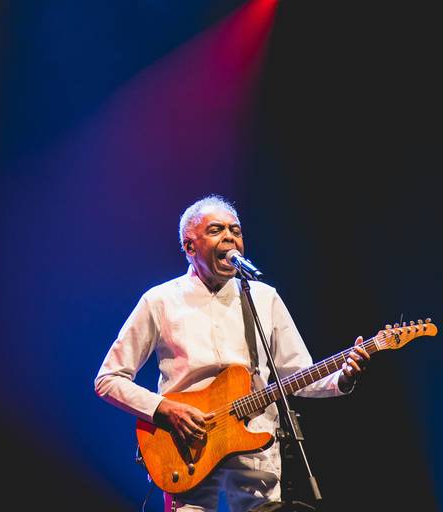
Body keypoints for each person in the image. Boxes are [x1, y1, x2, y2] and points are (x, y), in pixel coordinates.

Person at [94, 194, 370, 512]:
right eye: (216, 229)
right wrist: (165, 409)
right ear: (189, 246)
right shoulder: (160, 301)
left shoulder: (264, 298)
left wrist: (343, 377)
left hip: (256, 453)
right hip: (187, 451)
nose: (229, 237)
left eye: (235, 230)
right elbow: (109, 379)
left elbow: (295, 375)